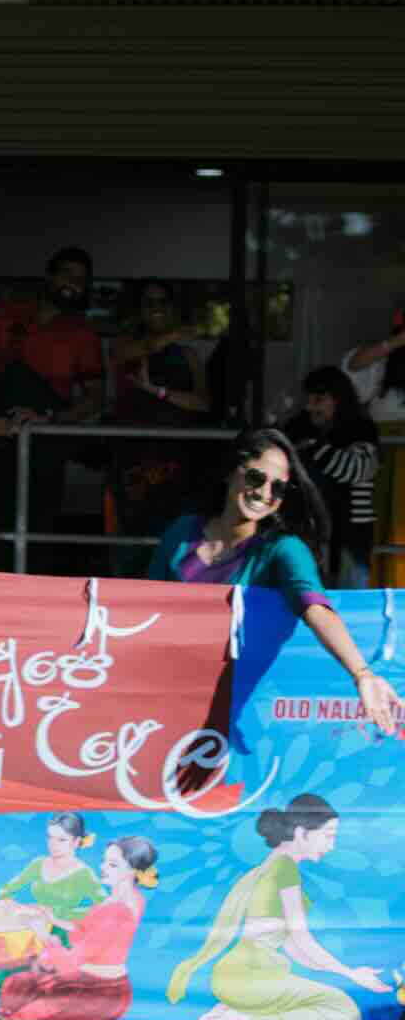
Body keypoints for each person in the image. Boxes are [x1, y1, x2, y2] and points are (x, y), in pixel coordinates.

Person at [148, 428, 402, 735]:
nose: (264, 494)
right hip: (168, 697)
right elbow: (146, 608)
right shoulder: (182, 531)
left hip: (235, 713)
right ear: (231, 472)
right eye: (256, 478)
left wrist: (362, 674)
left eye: (278, 488)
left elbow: (316, 607)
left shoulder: (283, 549)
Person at [167, 794, 385, 1020]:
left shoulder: (274, 866)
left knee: (340, 1006)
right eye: (329, 835)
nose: (331, 846)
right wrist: (351, 974)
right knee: (340, 1013)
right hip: (248, 976)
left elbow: (295, 947)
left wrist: (345, 972)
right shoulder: (284, 868)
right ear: (302, 833)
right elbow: (302, 937)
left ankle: (232, 1014)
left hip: (246, 976)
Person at [0, 248, 106, 535]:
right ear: (49, 276)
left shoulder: (83, 333)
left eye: (81, 279)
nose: (73, 283)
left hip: (47, 441)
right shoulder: (5, 314)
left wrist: (50, 418)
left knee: (38, 531)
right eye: (67, 274)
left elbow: (95, 398)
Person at [106, 279, 216, 569]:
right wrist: (179, 331)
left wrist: (159, 391)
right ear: (139, 310)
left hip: (177, 460)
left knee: (175, 538)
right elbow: (137, 350)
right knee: (129, 541)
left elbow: (203, 402)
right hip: (131, 461)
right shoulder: (123, 345)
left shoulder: (188, 355)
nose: (155, 309)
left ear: (171, 308)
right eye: (148, 303)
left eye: (162, 302)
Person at [0, 836, 157, 1020]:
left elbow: (70, 964)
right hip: (95, 983)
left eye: (113, 865)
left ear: (133, 871)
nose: (103, 868)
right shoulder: (131, 899)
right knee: (18, 983)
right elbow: (92, 933)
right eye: (104, 861)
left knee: (21, 1012)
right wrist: (54, 919)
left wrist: (42, 933)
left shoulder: (116, 911)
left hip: (99, 992)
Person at [284, 366, 379, 589]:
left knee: (350, 604)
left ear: (339, 399)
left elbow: (356, 470)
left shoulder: (362, 429)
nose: (310, 407)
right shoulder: (297, 428)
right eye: (308, 399)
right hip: (308, 535)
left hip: (351, 537)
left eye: (318, 399)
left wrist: (315, 448)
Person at [340, 311, 405, 588]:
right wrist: (398, 342)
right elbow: (352, 366)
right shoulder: (385, 362)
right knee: (380, 523)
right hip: (385, 453)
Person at [0, 811, 106, 935]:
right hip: (34, 929)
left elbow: (107, 909)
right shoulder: (38, 864)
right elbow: (5, 890)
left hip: (66, 935)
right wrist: (9, 903)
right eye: (50, 837)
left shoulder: (84, 874)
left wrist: (60, 913)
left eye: (61, 840)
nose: (53, 844)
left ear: (76, 841)